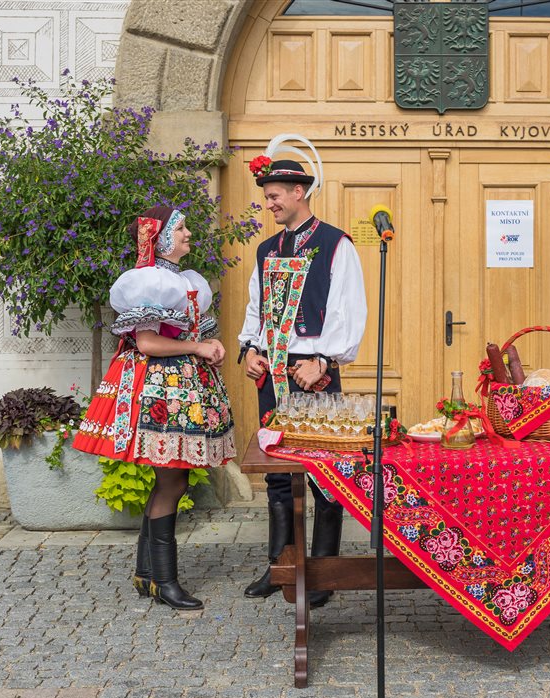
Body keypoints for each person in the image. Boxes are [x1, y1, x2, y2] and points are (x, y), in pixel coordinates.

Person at [73, 204, 236, 611]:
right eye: (181, 229)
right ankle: (163, 580)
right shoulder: (148, 280)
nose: (188, 235)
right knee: (172, 483)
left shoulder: (183, 279)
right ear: (161, 237)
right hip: (159, 391)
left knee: (172, 481)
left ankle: (149, 574)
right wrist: (197, 347)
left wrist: (208, 346)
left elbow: (193, 331)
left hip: (180, 387)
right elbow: (147, 344)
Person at [238, 144, 367, 609]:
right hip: (272, 371)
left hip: (314, 372)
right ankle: (282, 566)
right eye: (267, 197)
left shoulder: (336, 244)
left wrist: (326, 362)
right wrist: (249, 348)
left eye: (274, 195)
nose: (269, 204)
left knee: (324, 474)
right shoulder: (266, 249)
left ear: (299, 191)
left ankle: (324, 571)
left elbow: (348, 311)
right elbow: (256, 307)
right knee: (276, 473)